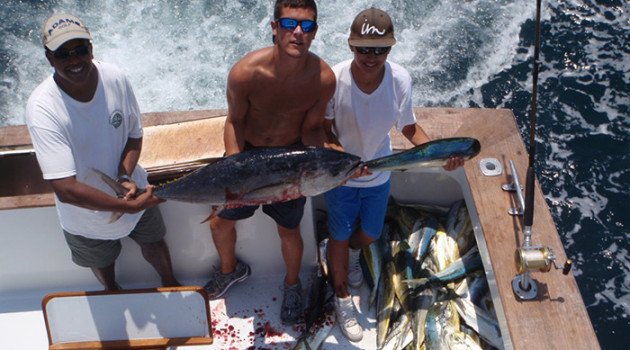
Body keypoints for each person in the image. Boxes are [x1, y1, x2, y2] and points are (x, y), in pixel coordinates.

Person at [323, 8, 464, 341]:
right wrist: (340, 159)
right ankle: (341, 295)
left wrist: (441, 155)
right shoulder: (334, 79)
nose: (371, 57)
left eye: (380, 49)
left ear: (392, 47)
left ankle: (351, 254)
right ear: (350, 45)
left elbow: (409, 127)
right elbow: (323, 129)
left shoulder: (400, 79)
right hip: (341, 177)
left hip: (379, 173)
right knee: (340, 236)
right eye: (363, 49)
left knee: (370, 233)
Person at [203, 0, 335, 326]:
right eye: (290, 24)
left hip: (291, 162)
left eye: (307, 26)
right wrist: (236, 174)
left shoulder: (323, 79)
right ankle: (230, 270)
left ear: (315, 32)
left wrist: (322, 163)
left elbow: (313, 128)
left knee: (289, 231)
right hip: (246, 157)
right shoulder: (246, 73)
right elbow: (234, 121)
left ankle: (292, 285)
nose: (298, 33)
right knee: (219, 222)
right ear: (275, 27)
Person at [25, 14, 180, 291]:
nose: (74, 60)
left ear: (91, 48)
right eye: (63, 54)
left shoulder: (115, 77)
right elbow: (66, 189)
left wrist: (124, 175)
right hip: (83, 216)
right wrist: (126, 206)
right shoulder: (42, 108)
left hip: (134, 191)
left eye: (80, 49)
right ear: (49, 58)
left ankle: (170, 282)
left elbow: (134, 134)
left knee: (154, 242)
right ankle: (111, 290)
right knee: (103, 261)